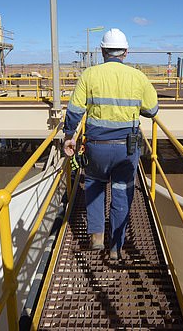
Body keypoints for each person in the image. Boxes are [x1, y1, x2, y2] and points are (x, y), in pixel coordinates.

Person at [62, 28, 159, 260]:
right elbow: (152, 110)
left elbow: (75, 111)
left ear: (103, 51)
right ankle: (116, 246)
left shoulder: (89, 75)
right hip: (126, 149)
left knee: (94, 186)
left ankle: (96, 237)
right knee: (121, 195)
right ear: (125, 52)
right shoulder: (139, 77)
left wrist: (69, 136)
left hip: (96, 146)